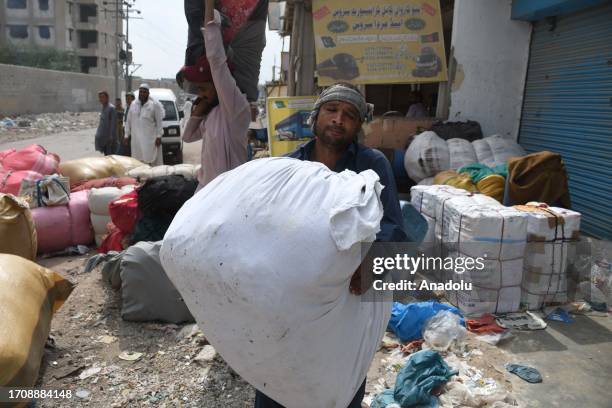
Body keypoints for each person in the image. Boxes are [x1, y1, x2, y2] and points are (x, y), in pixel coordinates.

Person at [253, 84, 408, 408]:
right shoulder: (291, 167)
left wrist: (365, 268)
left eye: (349, 115)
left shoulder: (372, 166)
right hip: (294, 299)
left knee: (338, 384)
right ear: (316, 117)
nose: (339, 119)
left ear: (358, 125)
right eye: (331, 110)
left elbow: (393, 228)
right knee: (279, 379)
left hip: (347, 300)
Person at [181, 0, 250, 189]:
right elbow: (187, 137)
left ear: (218, 85)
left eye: (203, 88)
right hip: (206, 190)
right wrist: (198, 113)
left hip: (227, 193)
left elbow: (217, 62)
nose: (200, 94)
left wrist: (210, 9)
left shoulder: (235, 108)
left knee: (197, 18)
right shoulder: (212, 114)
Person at [125, 84, 164, 165]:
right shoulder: (133, 104)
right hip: (136, 140)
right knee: (137, 161)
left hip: (149, 140)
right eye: (141, 92)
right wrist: (126, 135)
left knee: (150, 160)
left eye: (144, 92)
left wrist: (159, 136)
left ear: (148, 93)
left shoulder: (154, 105)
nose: (142, 93)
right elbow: (128, 121)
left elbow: (159, 122)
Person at [94, 91, 117, 155]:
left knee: (110, 156)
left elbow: (113, 124)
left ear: (107, 98)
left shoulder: (111, 108)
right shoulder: (103, 107)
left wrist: (111, 137)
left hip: (109, 139)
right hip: (104, 138)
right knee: (106, 155)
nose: (101, 99)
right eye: (100, 97)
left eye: (102, 97)